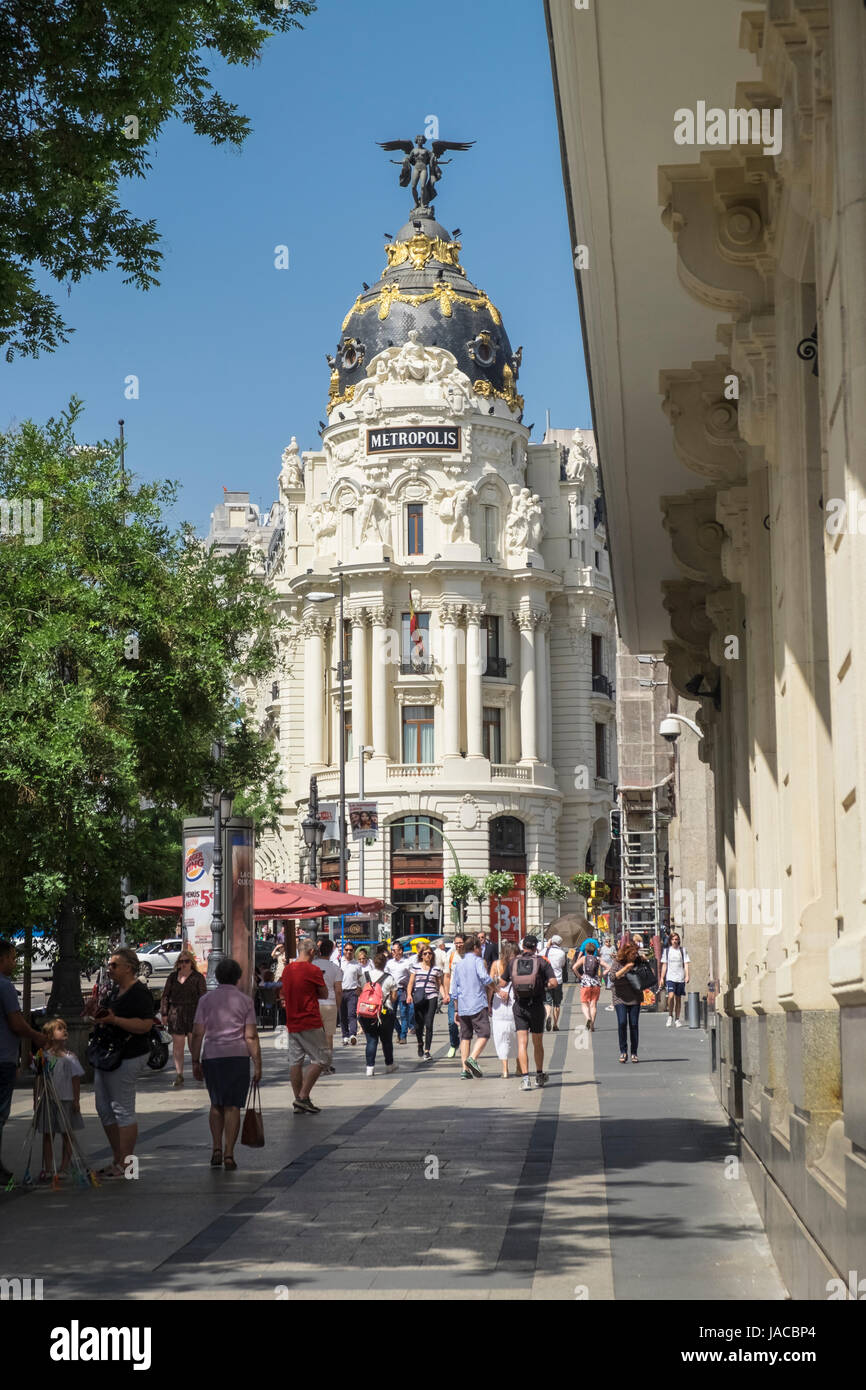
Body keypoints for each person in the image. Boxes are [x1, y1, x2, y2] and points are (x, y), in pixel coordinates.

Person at [191, 957, 261, 1170]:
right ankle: (229, 1153)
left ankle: (216, 1149)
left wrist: (195, 1060)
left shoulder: (205, 1000)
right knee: (233, 1106)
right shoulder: (246, 1001)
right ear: (238, 978)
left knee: (216, 1104)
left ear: (217, 976)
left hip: (212, 1056)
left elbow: (197, 1033)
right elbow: (250, 1036)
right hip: (237, 1057)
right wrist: (257, 1063)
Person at [92, 947, 155, 1178]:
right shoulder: (114, 991)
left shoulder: (139, 992)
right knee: (103, 1108)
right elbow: (107, 1017)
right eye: (109, 965)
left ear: (129, 967)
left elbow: (146, 1025)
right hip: (107, 1055)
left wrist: (115, 1020)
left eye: (114, 965)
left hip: (129, 1055)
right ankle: (118, 1159)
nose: (109, 969)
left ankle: (128, 1165)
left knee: (122, 1109)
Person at [0, 938, 48, 1184]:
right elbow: (16, 1022)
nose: (14, 962)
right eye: (11, 958)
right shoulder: (4, 986)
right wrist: (37, 1036)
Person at [503, 936, 557, 1092]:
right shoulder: (542, 962)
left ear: (523, 946)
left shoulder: (513, 962)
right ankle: (539, 1076)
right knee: (537, 1042)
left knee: (522, 1043)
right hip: (536, 1006)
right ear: (536, 947)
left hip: (519, 1006)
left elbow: (502, 982)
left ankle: (525, 1079)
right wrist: (541, 985)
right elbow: (554, 983)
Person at [282, 937, 330, 1114]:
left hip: (292, 1020)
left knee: (296, 1061)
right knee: (323, 1058)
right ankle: (303, 1096)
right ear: (311, 952)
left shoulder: (287, 970)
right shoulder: (313, 970)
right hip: (309, 1019)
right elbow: (324, 994)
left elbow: (283, 993)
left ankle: (300, 1100)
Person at [34, 1018, 85, 1181]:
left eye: (65, 1028)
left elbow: (75, 1079)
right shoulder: (44, 1056)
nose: (64, 1031)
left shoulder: (71, 1057)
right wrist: (36, 1099)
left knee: (66, 1134)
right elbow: (39, 1079)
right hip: (49, 1100)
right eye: (59, 1028)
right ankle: (48, 1168)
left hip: (66, 1099)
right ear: (49, 1035)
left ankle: (64, 1166)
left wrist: (76, 1100)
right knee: (48, 1134)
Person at [160, 946, 206, 1088]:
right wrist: (164, 1013)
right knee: (177, 1047)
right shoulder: (173, 977)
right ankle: (179, 1074)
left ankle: (196, 1067)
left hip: (193, 1012)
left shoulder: (197, 977)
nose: (183, 964)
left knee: (193, 1045)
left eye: (186, 961)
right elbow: (165, 996)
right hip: (176, 1013)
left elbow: (203, 997)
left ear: (191, 962)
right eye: (181, 961)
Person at [450, 934, 493, 1080]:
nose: (481, 949)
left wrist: (456, 1009)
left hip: (462, 1006)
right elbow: (484, 977)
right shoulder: (477, 960)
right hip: (477, 1003)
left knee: (465, 1036)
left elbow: (454, 990)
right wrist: (495, 986)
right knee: (485, 1032)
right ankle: (472, 1058)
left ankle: (465, 1070)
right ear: (475, 948)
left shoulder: (459, 964)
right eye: (480, 947)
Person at [358, 950, 398, 1076]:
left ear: (373, 963)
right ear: (385, 963)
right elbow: (394, 997)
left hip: (366, 1012)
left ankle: (370, 1068)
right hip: (384, 1012)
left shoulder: (364, 976)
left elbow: (358, 992)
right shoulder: (389, 978)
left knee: (371, 1040)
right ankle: (389, 1065)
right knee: (386, 1040)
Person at [407, 943, 444, 1060]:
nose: (428, 955)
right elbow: (411, 983)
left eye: (430, 953)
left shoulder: (436, 969)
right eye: (425, 953)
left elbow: (440, 985)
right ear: (421, 955)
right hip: (418, 997)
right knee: (419, 1024)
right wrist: (409, 995)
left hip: (432, 997)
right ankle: (420, 1044)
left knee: (429, 1024)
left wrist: (445, 995)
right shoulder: (416, 967)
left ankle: (427, 1050)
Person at [610, 937, 645, 1062]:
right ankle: (623, 1051)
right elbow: (612, 977)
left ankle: (634, 1052)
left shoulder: (638, 961)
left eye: (636, 953)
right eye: (633, 954)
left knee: (634, 1024)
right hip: (619, 997)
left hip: (635, 996)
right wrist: (626, 968)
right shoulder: (617, 962)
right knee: (622, 1022)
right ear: (626, 953)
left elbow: (647, 974)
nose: (635, 956)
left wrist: (644, 961)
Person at [313, 937, 343, 1070]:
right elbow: (339, 991)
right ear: (331, 952)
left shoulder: (312, 966)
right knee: (328, 1036)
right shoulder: (335, 968)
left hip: (314, 1004)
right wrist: (338, 1005)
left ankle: (316, 1063)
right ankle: (327, 1065)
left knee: (315, 1035)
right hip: (330, 1003)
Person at [490, 943, 518, 1077]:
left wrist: (488, 1004)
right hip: (515, 1000)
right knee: (518, 1033)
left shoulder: (496, 965)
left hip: (499, 1002)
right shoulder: (518, 964)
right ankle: (519, 1066)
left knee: (500, 1035)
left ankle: (505, 1069)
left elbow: (490, 984)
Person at [443, 932, 466, 1059]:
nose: (458, 945)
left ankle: (464, 1045)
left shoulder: (469, 956)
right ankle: (453, 1044)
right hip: (453, 993)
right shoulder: (451, 956)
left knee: (465, 1023)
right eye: (456, 943)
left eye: (460, 942)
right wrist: (446, 994)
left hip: (466, 995)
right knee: (452, 1022)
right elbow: (446, 976)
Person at [660, 932, 690, 1027]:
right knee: (671, 996)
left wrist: (687, 975)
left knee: (678, 998)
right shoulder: (667, 951)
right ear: (670, 941)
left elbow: (686, 963)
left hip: (680, 977)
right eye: (673, 939)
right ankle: (670, 1015)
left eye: (676, 939)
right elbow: (664, 964)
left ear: (678, 940)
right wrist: (662, 978)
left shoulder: (682, 950)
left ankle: (677, 1019)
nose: (675, 941)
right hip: (670, 977)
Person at [385, 941, 413, 1045]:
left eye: (394, 950)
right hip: (392, 991)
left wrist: (410, 989)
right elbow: (386, 976)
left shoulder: (407, 962)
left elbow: (412, 976)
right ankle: (399, 1030)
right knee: (390, 1014)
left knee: (403, 1014)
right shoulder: (389, 963)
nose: (392, 952)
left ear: (400, 951)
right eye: (391, 950)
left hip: (402, 990)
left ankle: (403, 1036)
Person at [339, 942, 364, 1046]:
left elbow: (360, 978)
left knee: (351, 1014)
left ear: (353, 951)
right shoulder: (339, 963)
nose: (348, 952)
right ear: (343, 951)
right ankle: (345, 1036)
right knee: (342, 1015)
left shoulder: (357, 965)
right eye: (346, 950)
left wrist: (359, 988)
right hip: (341, 992)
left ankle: (353, 1035)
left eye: (350, 950)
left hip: (352, 992)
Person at [575, 941, 602, 1031]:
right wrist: (601, 975)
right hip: (595, 983)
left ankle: (588, 1018)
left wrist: (580, 976)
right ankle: (592, 1025)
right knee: (593, 1005)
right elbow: (608, 967)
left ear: (586, 951)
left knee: (584, 1004)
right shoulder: (598, 959)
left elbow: (574, 967)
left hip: (585, 983)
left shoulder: (583, 958)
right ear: (594, 950)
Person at [543, 934, 567, 1032]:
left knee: (547, 1002)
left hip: (547, 980)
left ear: (551, 941)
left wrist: (547, 946)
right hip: (558, 980)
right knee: (557, 1003)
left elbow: (540, 958)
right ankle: (555, 1025)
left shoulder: (545, 951)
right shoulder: (561, 953)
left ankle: (548, 1016)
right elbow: (563, 964)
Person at [598, 935, 616, 1010]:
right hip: (604, 965)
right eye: (606, 941)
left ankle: (610, 986)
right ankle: (607, 985)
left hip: (611, 965)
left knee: (610, 978)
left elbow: (616, 954)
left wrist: (613, 955)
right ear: (604, 942)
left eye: (609, 941)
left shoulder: (613, 947)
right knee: (605, 977)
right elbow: (601, 956)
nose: (608, 943)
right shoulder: (602, 948)